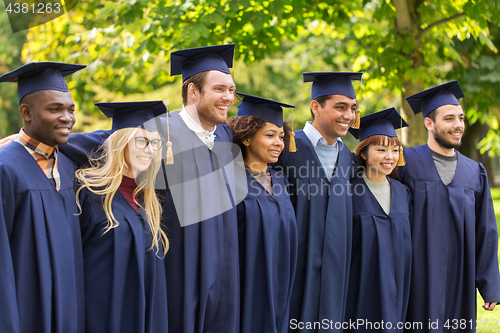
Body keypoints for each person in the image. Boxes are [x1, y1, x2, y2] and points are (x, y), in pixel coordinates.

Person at [160, 44, 247, 333]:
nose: (229, 98)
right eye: (220, 89)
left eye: (232, 90)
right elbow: (111, 138)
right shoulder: (162, 131)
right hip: (180, 269)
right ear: (193, 92)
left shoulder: (224, 133)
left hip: (224, 272)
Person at [401, 81, 500, 332]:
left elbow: (485, 231)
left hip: (460, 277)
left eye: (461, 118)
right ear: (429, 123)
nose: (458, 125)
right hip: (417, 277)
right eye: (449, 119)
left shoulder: (474, 171)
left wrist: (490, 286)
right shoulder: (406, 163)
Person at [0, 62, 86, 333]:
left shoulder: (70, 166)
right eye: (55, 109)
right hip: (24, 313)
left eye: (70, 109)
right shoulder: (5, 168)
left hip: (69, 312)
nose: (67, 117)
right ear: (26, 112)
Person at [275, 71, 362, 332]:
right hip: (294, 272)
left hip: (334, 275)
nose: (349, 115)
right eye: (340, 107)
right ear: (316, 107)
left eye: (353, 108)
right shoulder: (287, 149)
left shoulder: (347, 157)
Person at [75, 101, 169, 333]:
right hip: (100, 319)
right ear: (121, 142)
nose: (150, 150)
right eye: (142, 141)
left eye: (155, 143)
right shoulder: (90, 192)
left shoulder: (148, 200)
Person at [226, 93, 298, 333]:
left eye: (281, 136)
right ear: (246, 138)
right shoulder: (230, 181)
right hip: (245, 290)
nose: (279, 142)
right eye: (270, 135)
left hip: (280, 290)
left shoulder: (281, 181)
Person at [344, 108, 411, 332]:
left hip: (397, 288)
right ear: (363, 153)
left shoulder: (403, 192)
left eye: (394, 150)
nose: (389, 157)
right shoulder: (348, 192)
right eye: (381, 150)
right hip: (361, 289)